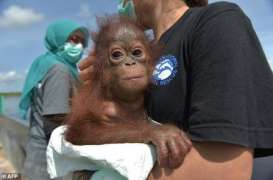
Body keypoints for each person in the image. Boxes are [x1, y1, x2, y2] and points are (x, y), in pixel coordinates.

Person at [79, 0, 273, 179]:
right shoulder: (148, 51)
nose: (122, 4)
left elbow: (224, 170)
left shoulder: (214, 21)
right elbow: (89, 125)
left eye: (136, 52)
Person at [19, 20, 89, 180]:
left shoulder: (45, 63)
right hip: (48, 159)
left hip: (37, 151)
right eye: (72, 39)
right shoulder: (59, 70)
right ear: (58, 39)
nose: (78, 45)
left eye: (81, 41)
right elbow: (55, 117)